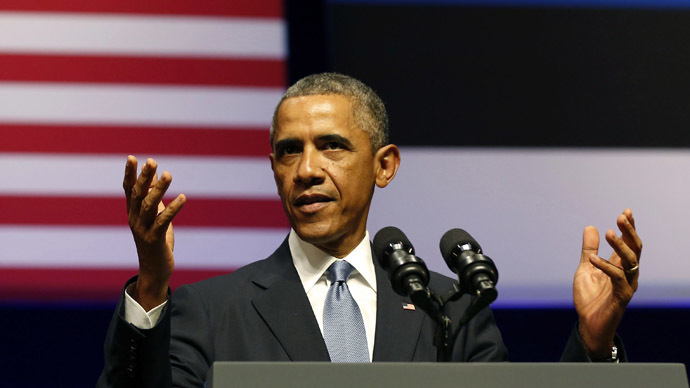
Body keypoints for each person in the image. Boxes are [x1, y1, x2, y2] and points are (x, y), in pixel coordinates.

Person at [97, 73, 642, 387]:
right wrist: (150, 289)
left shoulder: (450, 307)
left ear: (385, 165)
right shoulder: (212, 309)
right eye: (289, 152)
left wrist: (594, 348)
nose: (307, 169)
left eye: (331, 146)